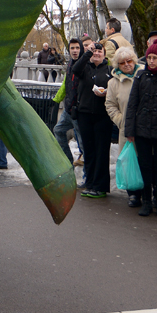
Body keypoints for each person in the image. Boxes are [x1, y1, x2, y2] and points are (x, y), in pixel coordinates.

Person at [124, 42, 157, 216]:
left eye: (155, 58)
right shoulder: (140, 77)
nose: (151, 61)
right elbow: (132, 104)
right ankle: (146, 201)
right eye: (149, 58)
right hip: (142, 129)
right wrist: (129, 130)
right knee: (144, 166)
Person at [72, 42, 113, 197]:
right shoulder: (85, 68)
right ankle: (90, 183)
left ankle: (100, 186)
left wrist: (106, 93)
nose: (96, 53)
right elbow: (75, 69)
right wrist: (87, 53)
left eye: (99, 51)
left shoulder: (110, 70)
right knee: (88, 150)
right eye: (94, 51)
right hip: (85, 114)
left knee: (101, 150)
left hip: (103, 115)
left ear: (104, 54)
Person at [104, 46, 141, 206]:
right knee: (129, 161)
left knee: (145, 160)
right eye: (122, 63)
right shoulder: (113, 83)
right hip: (126, 129)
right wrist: (121, 121)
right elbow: (110, 105)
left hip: (146, 127)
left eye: (129, 61)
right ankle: (133, 193)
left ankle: (148, 192)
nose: (127, 65)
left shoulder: (143, 74)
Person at [52, 39, 84, 166]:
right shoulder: (70, 63)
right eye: (72, 48)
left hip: (79, 110)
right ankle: (68, 162)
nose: (75, 50)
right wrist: (57, 99)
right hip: (68, 109)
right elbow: (66, 85)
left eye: (77, 48)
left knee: (82, 143)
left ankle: (88, 176)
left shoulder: (84, 64)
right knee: (58, 130)